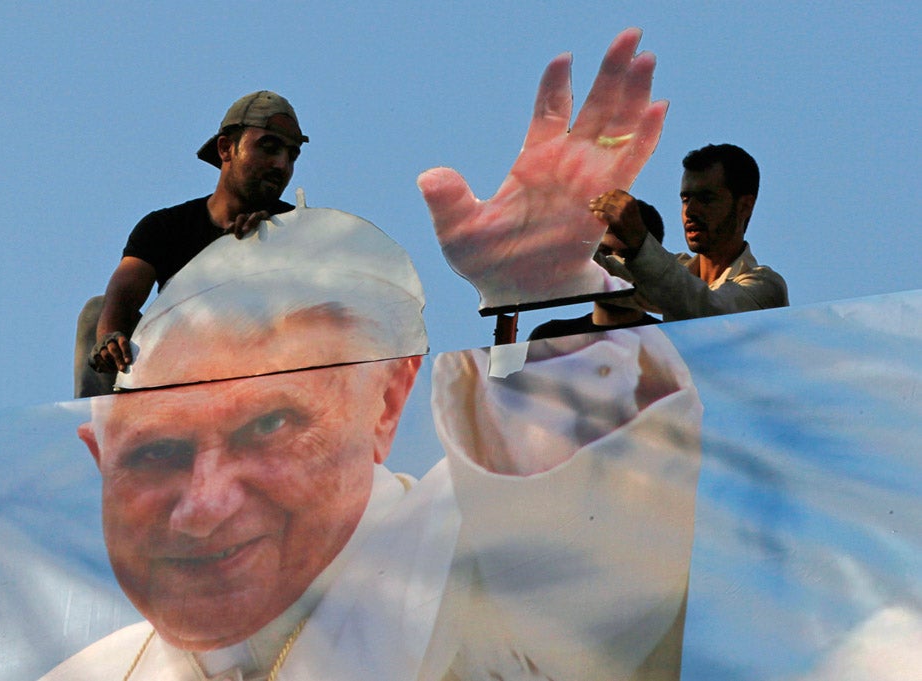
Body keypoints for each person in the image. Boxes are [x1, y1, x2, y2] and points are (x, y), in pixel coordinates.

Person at [42, 205, 702, 681]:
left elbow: (600, 595)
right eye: (158, 453)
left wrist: (581, 301)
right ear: (102, 463)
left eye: (268, 425)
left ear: (386, 401)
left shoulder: (467, 548)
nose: (204, 507)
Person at [74, 90, 308, 398]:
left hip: (262, 383)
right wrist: (109, 339)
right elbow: (122, 296)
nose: (281, 164)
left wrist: (271, 245)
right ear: (226, 148)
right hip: (175, 376)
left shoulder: (298, 231)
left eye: (291, 155)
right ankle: (104, 433)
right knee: (96, 314)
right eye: (268, 148)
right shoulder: (166, 227)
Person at [589, 143, 788, 321]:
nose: (691, 211)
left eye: (706, 198)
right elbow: (596, 272)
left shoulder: (766, 288)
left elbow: (708, 311)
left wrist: (640, 243)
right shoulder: (677, 274)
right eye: (686, 199)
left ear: (745, 206)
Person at [528, 199, 665, 340]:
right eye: (604, 253)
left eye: (628, 255)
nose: (615, 265)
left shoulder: (671, 339)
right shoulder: (549, 337)